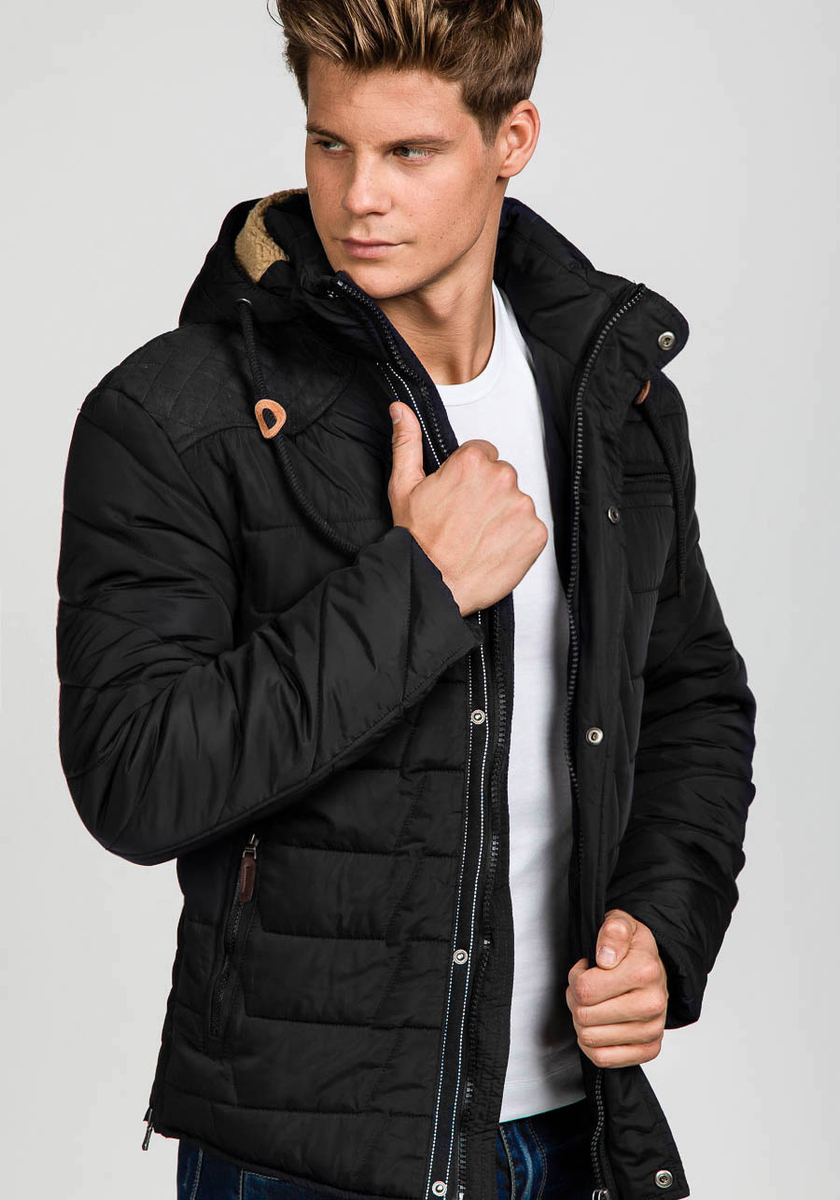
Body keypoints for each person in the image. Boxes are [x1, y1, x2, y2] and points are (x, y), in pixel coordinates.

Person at [55, 2, 757, 1198]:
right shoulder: (177, 416)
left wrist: (662, 924)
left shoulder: (612, 397)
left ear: (511, 138)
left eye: (410, 152)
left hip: (580, 1134)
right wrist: (420, 586)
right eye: (330, 144)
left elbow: (692, 695)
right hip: (310, 1159)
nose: (358, 197)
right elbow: (134, 776)